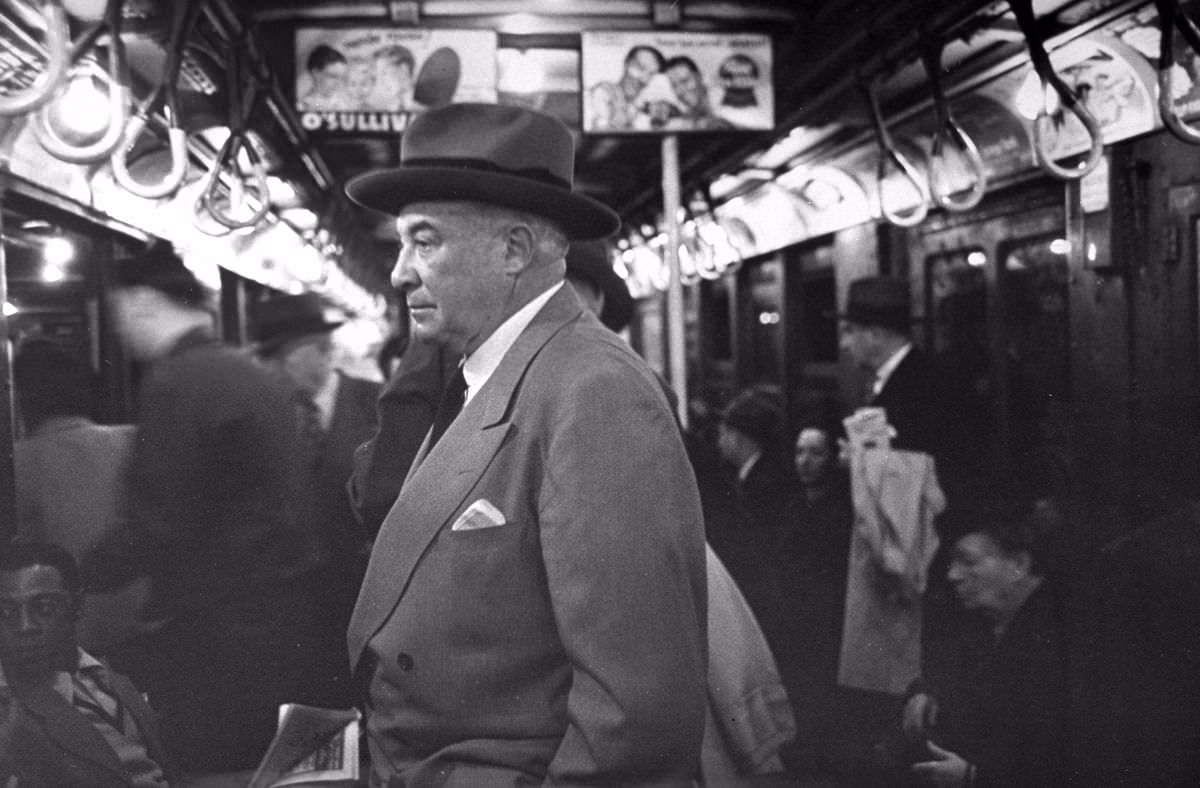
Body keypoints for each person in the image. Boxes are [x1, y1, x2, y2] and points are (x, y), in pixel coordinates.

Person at [343, 102, 708, 786]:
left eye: (425, 242)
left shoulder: (595, 391)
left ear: (513, 250)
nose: (398, 273)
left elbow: (635, 712)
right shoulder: (480, 373)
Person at [82, 243, 330, 774]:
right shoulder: (244, 373)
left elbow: (159, 519)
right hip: (280, 624)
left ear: (143, 302)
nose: (122, 332)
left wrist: (82, 572)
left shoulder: (178, 382)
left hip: (221, 635)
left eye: (120, 313)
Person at [254, 291, 380, 706]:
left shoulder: (379, 404)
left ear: (320, 352)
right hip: (298, 606)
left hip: (366, 594)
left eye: (280, 358)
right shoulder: (268, 415)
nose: (271, 370)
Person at [897, 506, 1067, 788]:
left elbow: (1056, 761)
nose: (953, 575)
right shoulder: (980, 627)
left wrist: (974, 778)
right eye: (952, 563)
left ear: (1019, 565)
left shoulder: (1056, 641)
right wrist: (928, 693)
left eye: (968, 562)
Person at [12, 338, 151, 654]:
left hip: (69, 647)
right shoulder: (136, 443)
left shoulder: (18, 464)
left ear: (19, 400)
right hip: (154, 634)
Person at [0, 541, 172, 787]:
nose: (24, 625)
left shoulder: (110, 677)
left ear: (77, 605)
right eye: (6, 612)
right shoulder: (9, 710)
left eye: (44, 608)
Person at [775, 424, 854, 779]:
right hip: (794, 622)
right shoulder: (790, 507)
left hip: (827, 623)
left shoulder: (841, 513)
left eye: (816, 453)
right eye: (799, 452)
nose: (805, 461)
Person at [587, 44, 664, 130]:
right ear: (626, 63)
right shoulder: (603, 92)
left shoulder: (650, 105)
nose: (643, 78)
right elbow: (601, 129)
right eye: (640, 68)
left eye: (651, 73)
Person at [298, 43, 349, 111]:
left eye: (342, 78)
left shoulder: (344, 105)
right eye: (333, 76)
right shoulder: (301, 107)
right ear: (316, 73)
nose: (338, 83)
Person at [372, 44, 416, 111]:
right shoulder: (384, 110)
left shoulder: (430, 105)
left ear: (403, 70)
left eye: (384, 73)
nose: (380, 81)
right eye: (378, 75)